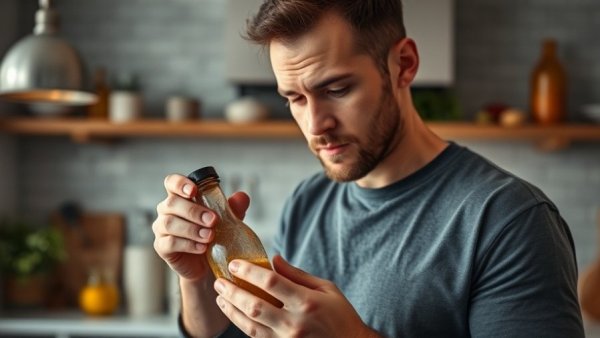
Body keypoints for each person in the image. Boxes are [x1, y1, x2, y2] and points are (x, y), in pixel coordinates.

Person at [152, 0, 584, 337]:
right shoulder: (308, 202)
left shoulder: (509, 220)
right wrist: (195, 275)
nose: (315, 124)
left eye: (336, 89)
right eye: (295, 99)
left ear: (404, 65)